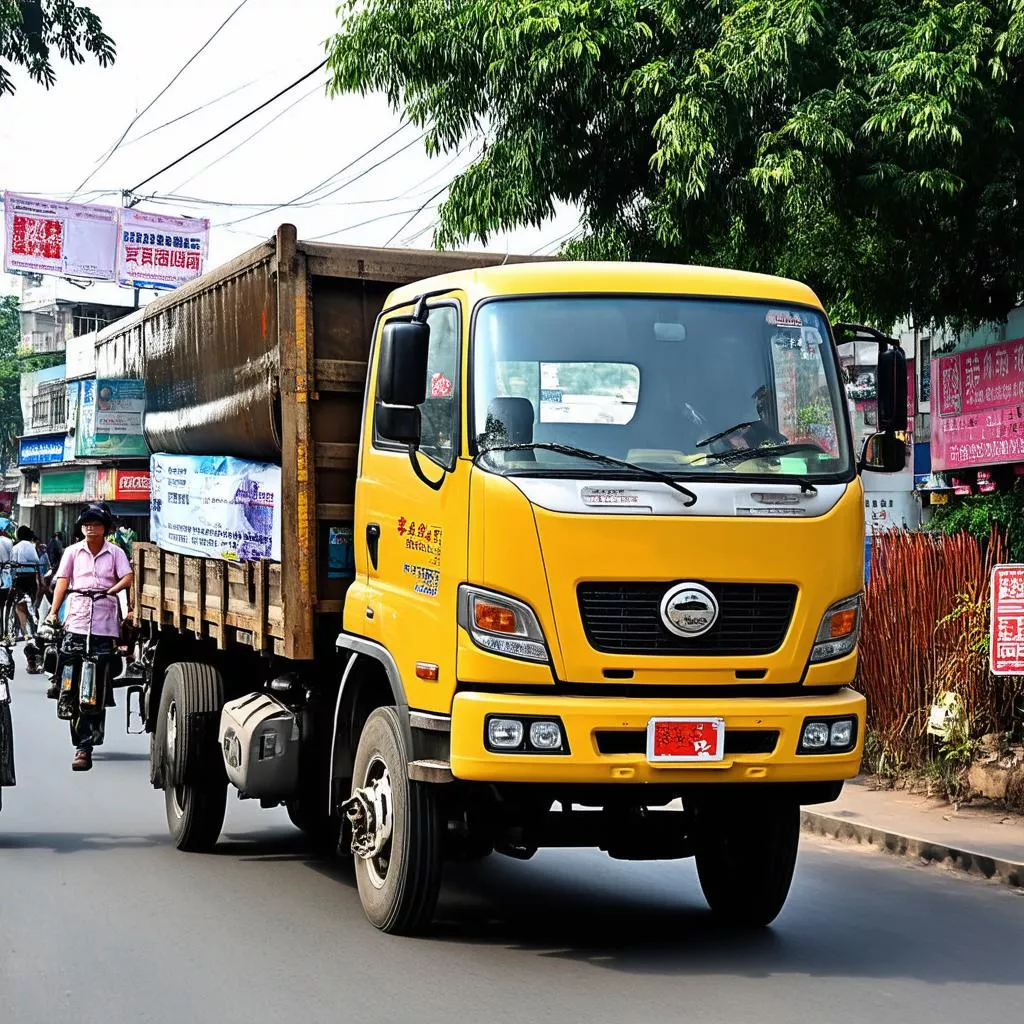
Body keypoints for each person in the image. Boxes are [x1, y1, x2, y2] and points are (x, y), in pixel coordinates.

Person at [46, 504, 134, 772]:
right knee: (66, 662)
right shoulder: (72, 552)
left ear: (104, 528)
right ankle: (60, 688)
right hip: (77, 618)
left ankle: (84, 747)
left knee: (97, 680)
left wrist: (111, 591)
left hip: (104, 623)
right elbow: (62, 581)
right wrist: (52, 613)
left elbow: (128, 577)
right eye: (86, 524)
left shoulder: (116, 552)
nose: (89, 527)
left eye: (95, 524)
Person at [10, 526, 40, 640]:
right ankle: (33, 630)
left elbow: (12, 563)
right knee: (31, 604)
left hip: (19, 577)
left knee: (19, 605)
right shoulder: (30, 546)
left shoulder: (16, 547)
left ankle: (24, 631)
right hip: (31, 577)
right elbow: (36, 561)